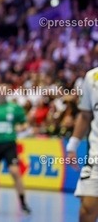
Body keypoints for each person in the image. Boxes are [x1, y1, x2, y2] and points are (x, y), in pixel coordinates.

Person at [0, 83, 31, 215]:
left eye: (5, 90)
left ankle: (23, 204)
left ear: (8, 92)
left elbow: (25, 123)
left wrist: (21, 127)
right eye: (0, 90)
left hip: (9, 144)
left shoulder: (15, 108)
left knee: (15, 172)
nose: (2, 92)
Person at [67, 66, 98, 222]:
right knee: (87, 210)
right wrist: (72, 146)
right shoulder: (92, 76)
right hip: (95, 156)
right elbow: (85, 115)